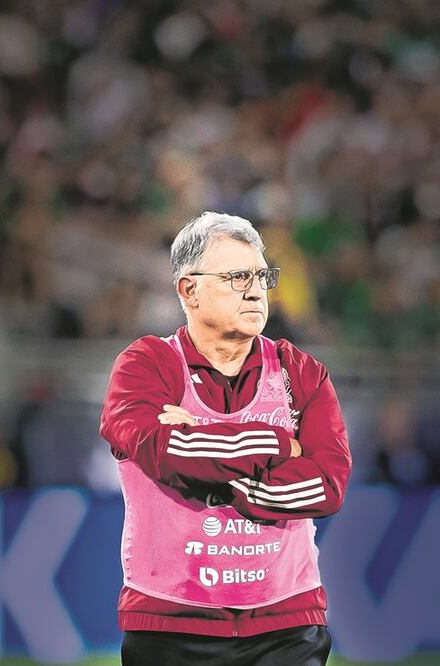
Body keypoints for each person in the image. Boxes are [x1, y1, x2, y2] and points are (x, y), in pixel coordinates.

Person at [100, 212, 351, 666]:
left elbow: (328, 486)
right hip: (171, 624)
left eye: (262, 275)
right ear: (188, 290)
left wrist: (208, 462)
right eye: (237, 276)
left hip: (288, 626)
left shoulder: (302, 372)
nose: (256, 289)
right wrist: (280, 445)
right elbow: (164, 453)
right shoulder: (145, 366)